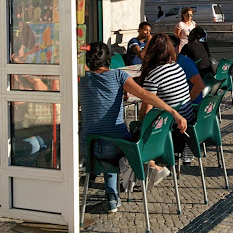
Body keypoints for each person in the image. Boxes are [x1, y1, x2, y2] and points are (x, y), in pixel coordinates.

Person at [79, 41, 187, 213]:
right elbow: (146, 95)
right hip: (118, 149)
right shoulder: (118, 76)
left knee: (105, 138)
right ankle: (149, 164)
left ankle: (113, 198)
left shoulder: (81, 78)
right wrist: (173, 112)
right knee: (124, 136)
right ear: (109, 59)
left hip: (89, 150)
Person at [141, 34, 196, 175]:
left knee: (136, 131)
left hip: (171, 131)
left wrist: (138, 124)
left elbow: (146, 113)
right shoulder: (177, 67)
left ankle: (151, 168)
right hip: (188, 125)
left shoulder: (153, 75)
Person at [169, 34, 205, 105]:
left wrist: (186, 103)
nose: (167, 50)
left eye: (170, 47)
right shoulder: (171, 63)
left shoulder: (184, 63)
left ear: (177, 47)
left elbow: (199, 85)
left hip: (191, 106)